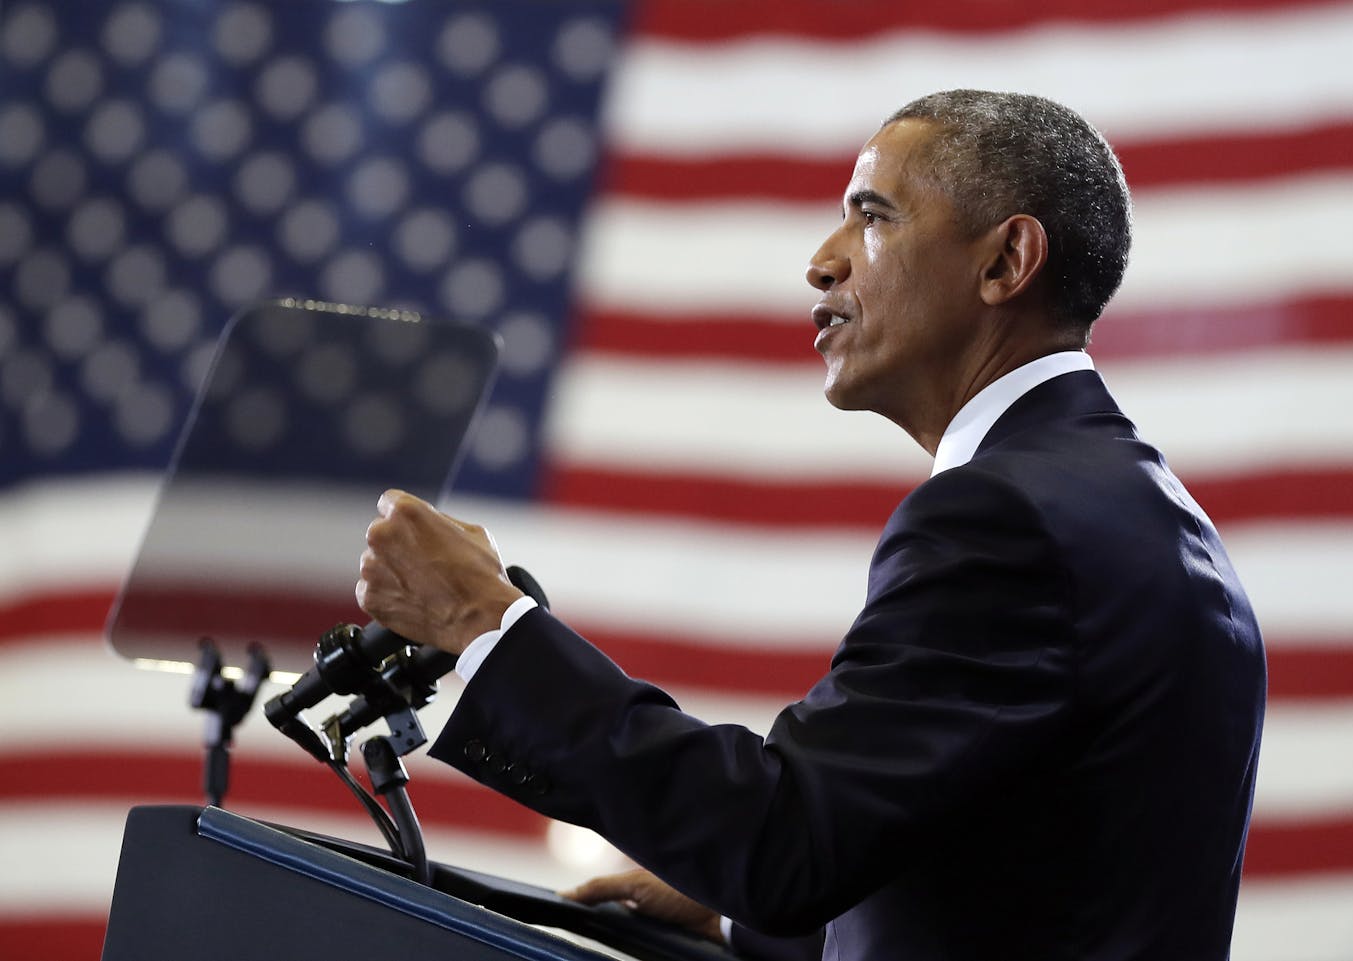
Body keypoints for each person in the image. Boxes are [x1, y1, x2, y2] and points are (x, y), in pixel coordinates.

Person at [355, 89, 1267, 961]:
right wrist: (752, 926)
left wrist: (489, 626)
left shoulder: (1005, 519)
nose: (823, 261)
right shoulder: (1135, 506)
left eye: (873, 215)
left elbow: (785, 842)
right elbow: (1033, 879)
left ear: (1004, 263)